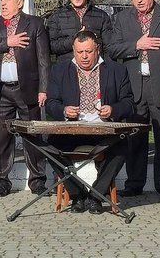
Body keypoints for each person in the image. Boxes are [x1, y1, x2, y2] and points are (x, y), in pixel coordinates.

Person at [105, 0, 160, 198]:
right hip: (134, 87)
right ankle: (134, 182)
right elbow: (112, 49)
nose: (139, 0)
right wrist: (136, 45)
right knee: (135, 138)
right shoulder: (121, 19)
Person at [44, 32, 135, 214]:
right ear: (73, 51)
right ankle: (77, 194)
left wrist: (113, 110)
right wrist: (64, 110)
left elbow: (129, 103)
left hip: (103, 129)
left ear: (97, 50)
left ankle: (95, 195)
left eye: (88, 51)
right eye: (79, 52)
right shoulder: (59, 70)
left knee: (122, 146)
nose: (84, 56)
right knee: (48, 146)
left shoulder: (116, 70)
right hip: (72, 129)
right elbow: (50, 103)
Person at [0, 0, 50, 197]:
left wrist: (43, 89)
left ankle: (37, 181)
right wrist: (7, 42)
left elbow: (44, 60)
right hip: (1, 90)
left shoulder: (35, 23)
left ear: (19, 3)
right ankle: (2, 181)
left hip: (27, 88)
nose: (3, 3)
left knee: (32, 134)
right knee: (2, 137)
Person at [45, 0, 113, 60]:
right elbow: (50, 47)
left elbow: (109, 48)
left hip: (95, 69)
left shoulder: (102, 16)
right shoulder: (56, 17)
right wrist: (74, 39)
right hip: (67, 69)